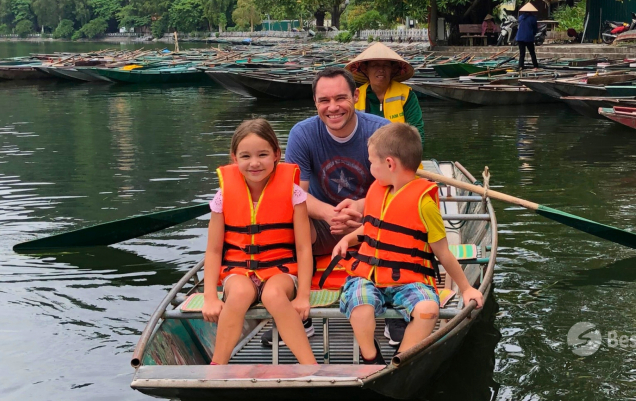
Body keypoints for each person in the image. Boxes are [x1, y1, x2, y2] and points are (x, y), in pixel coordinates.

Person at [331, 122, 484, 364]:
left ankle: (401, 360)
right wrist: (347, 239)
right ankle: (370, 357)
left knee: (428, 310)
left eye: (372, 162)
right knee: (361, 304)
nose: (370, 167)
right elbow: (371, 229)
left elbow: (442, 252)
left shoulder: (424, 204)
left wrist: (466, 289)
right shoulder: (380, 190)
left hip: (409, 279)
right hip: (368, 275)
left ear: (389, 163)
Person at [274, 67, 391, 347]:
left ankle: (397, 315)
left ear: (356, 96)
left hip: (372, 222)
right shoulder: (303, 133)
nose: (333, 107)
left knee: (405, 223)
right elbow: (296, 193)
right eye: (324, 100)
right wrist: (329, 213)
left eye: (341, 98)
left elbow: (397, 188)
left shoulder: (382, 131)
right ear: (315, 103)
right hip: (324, 224)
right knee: (285, 225)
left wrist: (361, 210)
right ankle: (298, 315)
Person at [201, 119, 316, 365]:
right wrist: (210, 296)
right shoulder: (223, 196)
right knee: (239, 293)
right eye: (246, 156)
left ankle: (310, 367)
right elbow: (213, 250)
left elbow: (304, 248)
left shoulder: (294, 193)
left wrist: (303, 295)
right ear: (234, 158)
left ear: (277, 154)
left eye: (263, 154)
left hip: (281, 271)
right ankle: (217, 366)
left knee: (274, 295)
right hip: (238, 272)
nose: (254, 163)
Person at [345, 42, 425, 143]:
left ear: (392, 69)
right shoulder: (356, 96)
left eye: (386, 66)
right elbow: (348, 132)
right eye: (375, 65)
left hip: (398, 153)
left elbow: (417, 134)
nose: (381, 70)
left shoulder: (406, 95)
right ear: (365, 69)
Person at [514, 2, 539, 70]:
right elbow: (535, 28)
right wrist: (533, 34)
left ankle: (520, 66)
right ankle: (535, 66)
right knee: (532, 52)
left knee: (522, 53)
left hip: (520, 37)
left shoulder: (521, 17)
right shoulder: (533, 18)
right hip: (528, 37)